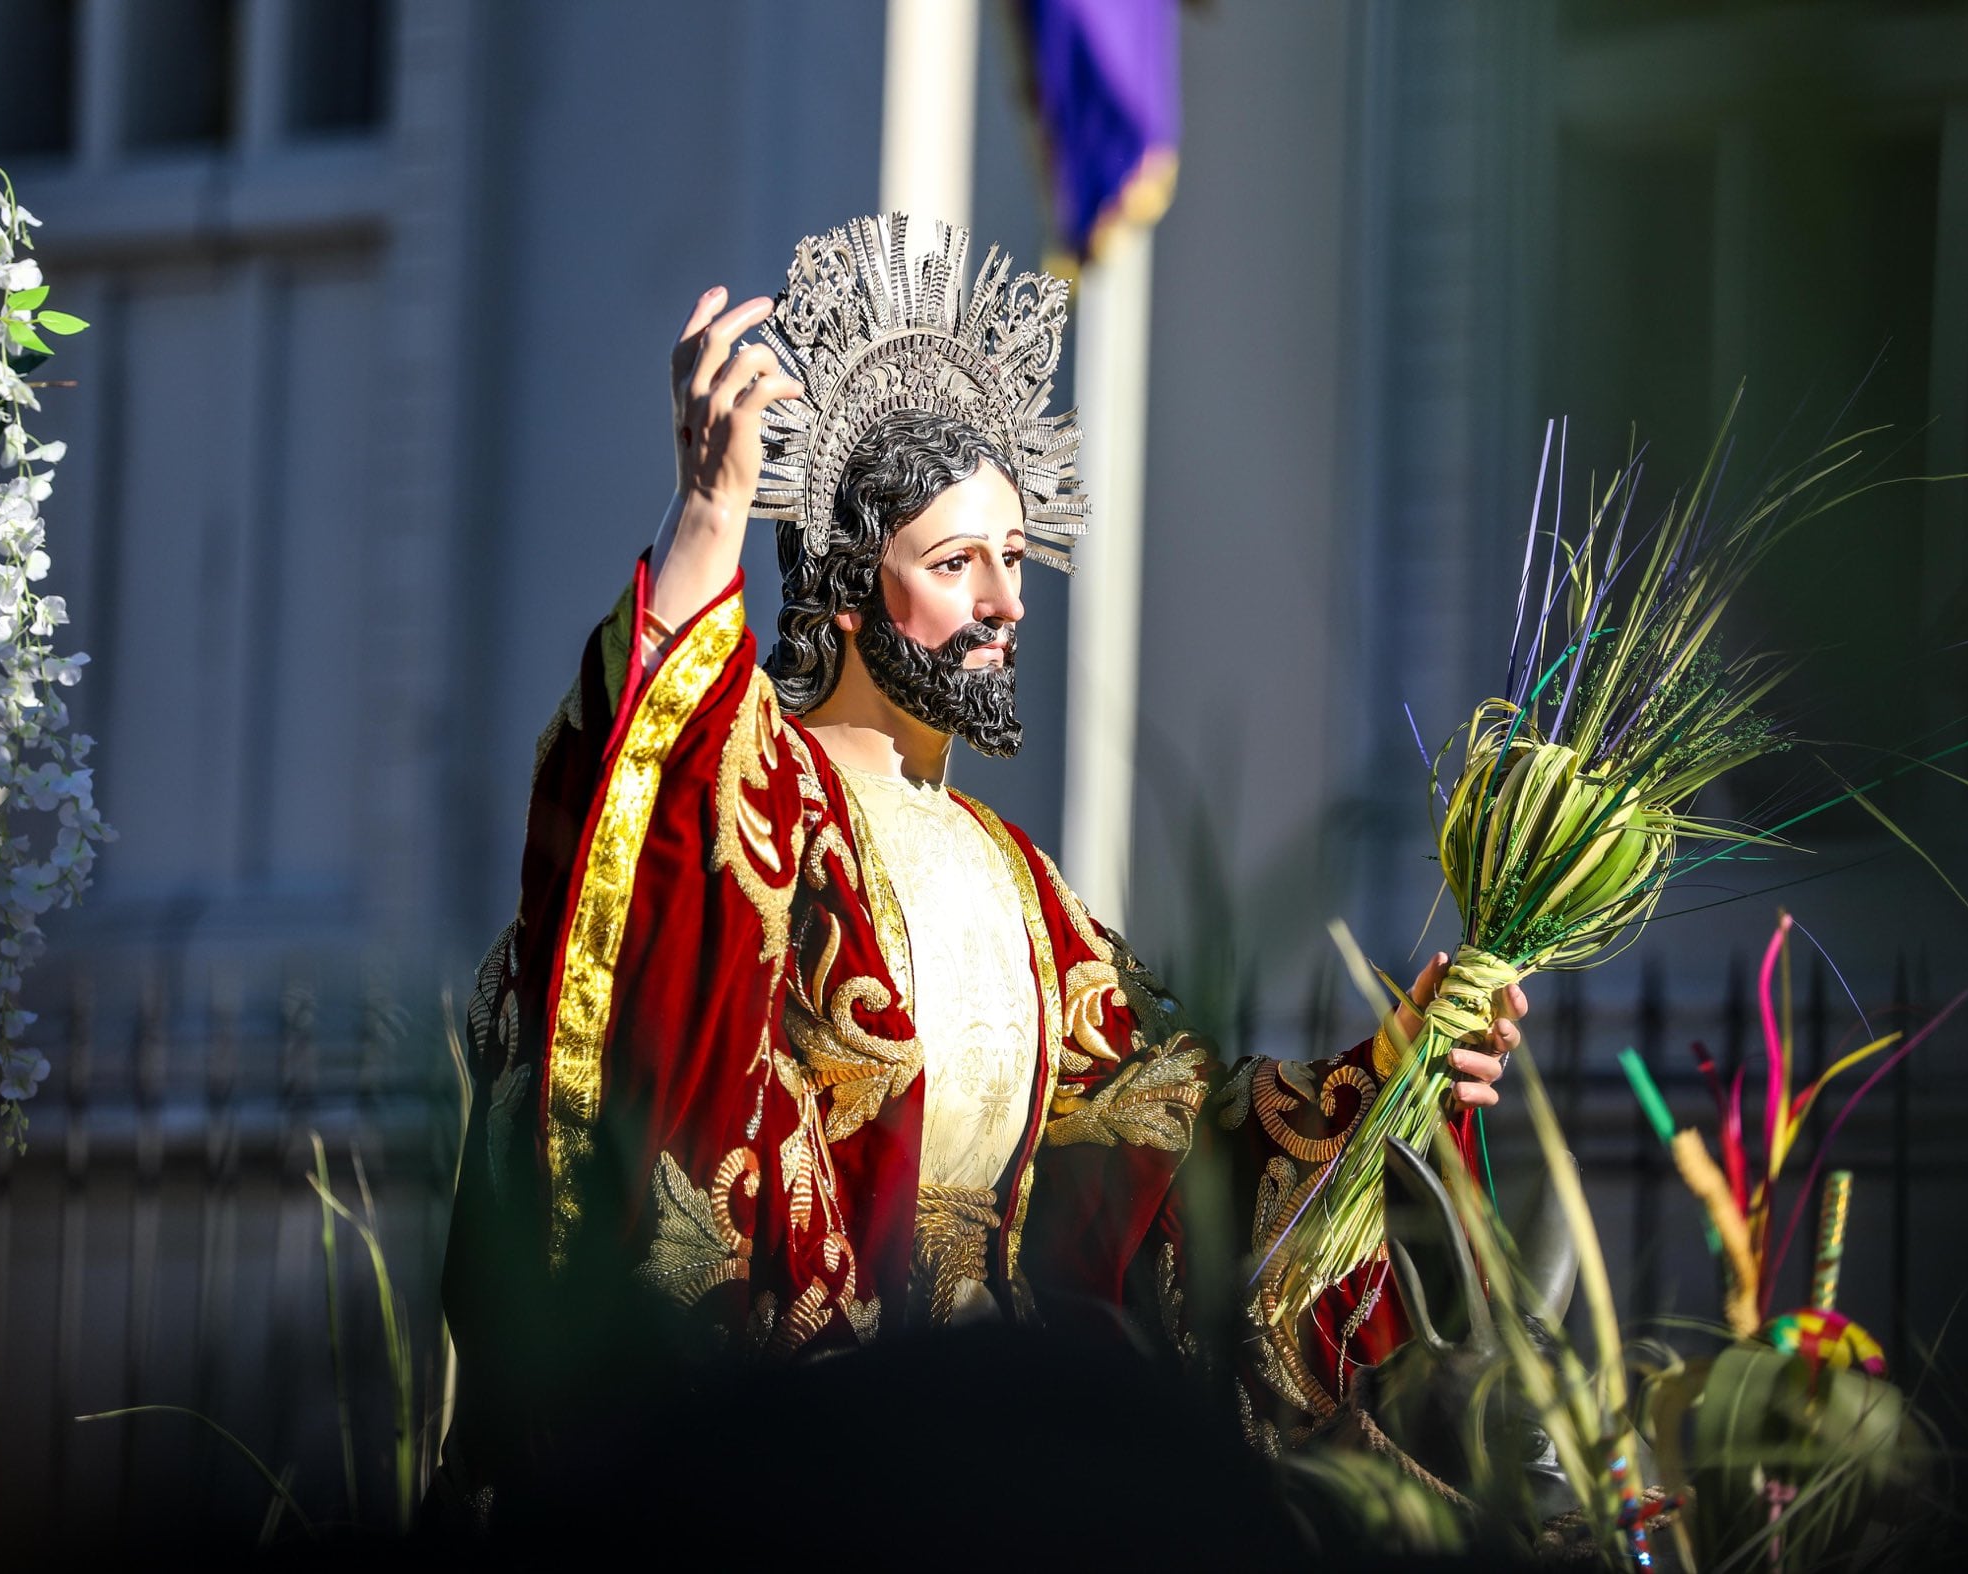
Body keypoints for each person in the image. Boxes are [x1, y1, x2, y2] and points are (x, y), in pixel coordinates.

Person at [437, 215, 1525, 1518]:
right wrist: (711, 517)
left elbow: (1173, 1144)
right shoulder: (765, 792)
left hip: (999, 1460)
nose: (1010, 602)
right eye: (957, 563)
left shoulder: (1020, 882)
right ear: (846, 583)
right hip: (809, 1461)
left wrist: (1393, 1076)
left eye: (1013, 559)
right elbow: (641, 888)